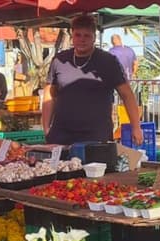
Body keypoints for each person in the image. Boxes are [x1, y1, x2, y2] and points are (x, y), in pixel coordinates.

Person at [42, 15, 144, 146]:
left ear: (94, 37)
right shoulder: (59, 60)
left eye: (87, 36)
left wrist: (136, 126)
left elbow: (127, 95)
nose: (82, 40)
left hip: (96, 135)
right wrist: (46, 128)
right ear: (72, 35)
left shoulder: (108, 61)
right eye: (78, 35)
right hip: (61, 134)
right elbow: (49, 94)